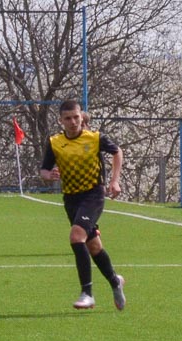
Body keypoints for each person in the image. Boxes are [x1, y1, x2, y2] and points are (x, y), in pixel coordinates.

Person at [39, 99, 126, 310]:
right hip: (71, 199)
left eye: (76, 117)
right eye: (67, 118)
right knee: (93, 246)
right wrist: (49, 176)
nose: (72, 121)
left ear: (82, 117)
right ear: (61, 121)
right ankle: (116, 281)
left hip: (93, 195)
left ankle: (87, 293)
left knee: (76, 236)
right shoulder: (55, 143)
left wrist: (114, 181)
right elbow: (43, 170)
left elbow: (117, 152)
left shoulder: (95, 138)